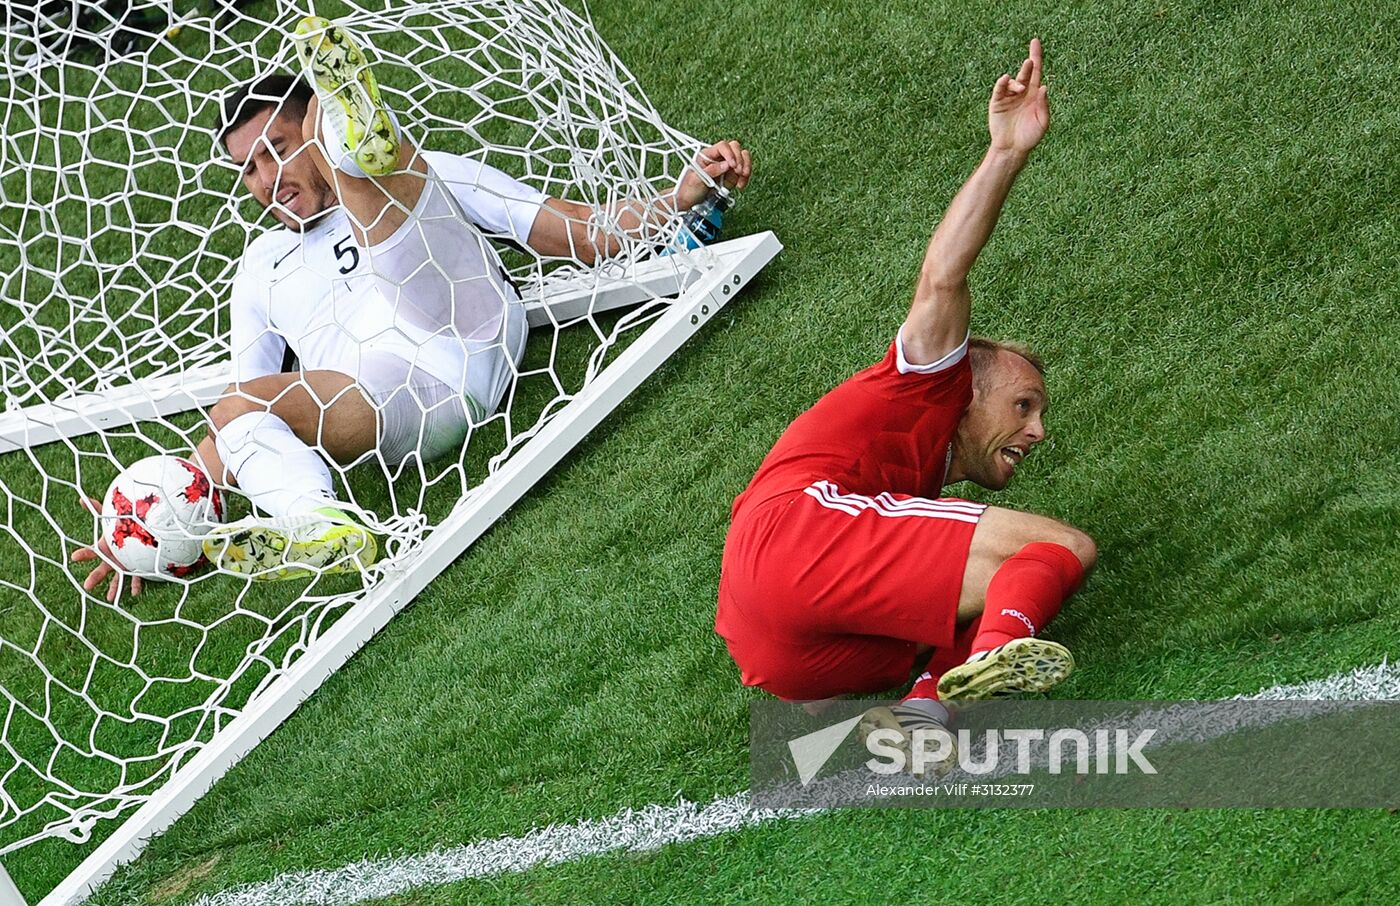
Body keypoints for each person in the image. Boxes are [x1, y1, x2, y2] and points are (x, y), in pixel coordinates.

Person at [74, 15, 752, 598]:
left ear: (305, 130)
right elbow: (241, 407)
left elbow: (569, 229)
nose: (264, 180)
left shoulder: (429, 171)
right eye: (248, 169)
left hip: (462, 326)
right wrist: (162, 523)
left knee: (380, 183)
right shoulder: (259, 269)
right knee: (236, 409)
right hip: (387, 406)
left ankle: (353, 142)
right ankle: (321, 526)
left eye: (275, 151)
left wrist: (676, 199)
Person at [715, 39, 1094, 766]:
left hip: (783, 653)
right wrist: (1006, 152)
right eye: (1023, 405)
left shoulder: (913, 477)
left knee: (999, 583)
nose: (1038, 430)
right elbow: (943, 276)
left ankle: (926, 706)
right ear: (969, 386)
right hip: (796, 534)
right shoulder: (928, 378)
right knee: (1060, 547)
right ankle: (989, 662)